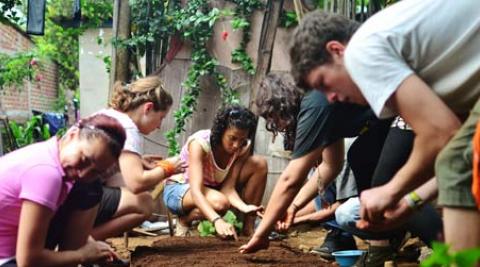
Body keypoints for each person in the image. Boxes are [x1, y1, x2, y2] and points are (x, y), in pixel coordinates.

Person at [289, 0, 480, 251]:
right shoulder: (440, 72)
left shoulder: (361, 50)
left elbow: (439, 134)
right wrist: (410, 202)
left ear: (337, 51)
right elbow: (456, 150)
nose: (331, 98)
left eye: (324, 83)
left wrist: (390, 190)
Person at [241, 73, 392, 257]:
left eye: (274, 117)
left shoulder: (315, 103)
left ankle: (424, 238)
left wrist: (262, 232)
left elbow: (291, 179)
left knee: (362, 157)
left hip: (400, 113)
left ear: (283, 105)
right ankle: (386, 240)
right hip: (381, 123)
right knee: (360, 156)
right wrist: (293, 207)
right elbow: (330, 166)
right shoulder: (321, 112)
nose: (277, 125)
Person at [0, 114, 126, 267]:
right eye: (84, 159)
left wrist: (91, 245)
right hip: (8, 259)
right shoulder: (47, 173)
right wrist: (82, 256)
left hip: (12, 251)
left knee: (90, 188)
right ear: (73, 135)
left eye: (96, 172)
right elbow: (28, 261)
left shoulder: (51, 154)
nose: (83, 174)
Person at [91, 76, 186, 240]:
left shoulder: (109, 115)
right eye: (161, 117)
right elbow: (136, 183)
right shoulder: (128, 128)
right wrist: (168, 168)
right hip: (73, 197)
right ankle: (83, 242)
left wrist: (138, 161)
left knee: (129, 187)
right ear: (148, 108)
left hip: (68, 191)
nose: (159, 126)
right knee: (144, 202)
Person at [163, 105, 267, 238]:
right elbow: (196, 191)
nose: (236, 145)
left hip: (211, 189)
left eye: (242, 140)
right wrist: (217, 220)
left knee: (259, 164)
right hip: (179, 190)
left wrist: (245, 208)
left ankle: (248, 230)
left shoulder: (241, 148)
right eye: (232, 138)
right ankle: (185, 220)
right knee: (220, 203)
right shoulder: (200, 143)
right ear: (221, 131)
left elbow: (228, 188)